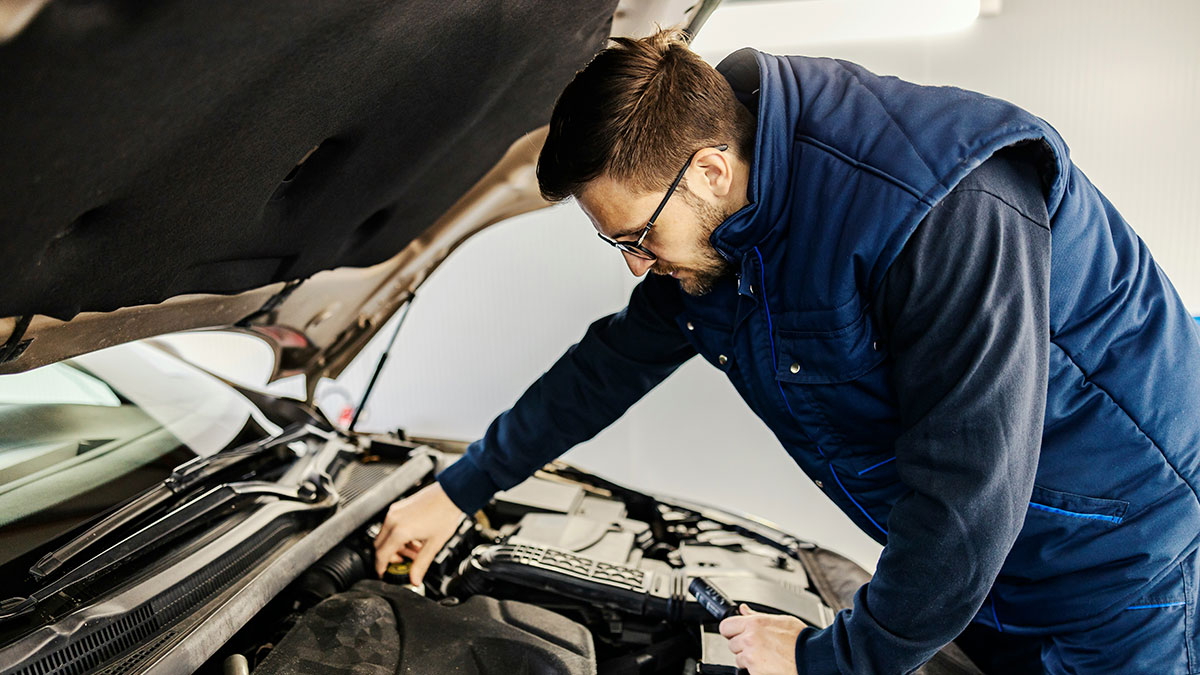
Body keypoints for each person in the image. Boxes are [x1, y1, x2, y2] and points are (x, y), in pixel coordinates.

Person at [371, 29, 1200, 674]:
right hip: (988, 573)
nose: (633, 262)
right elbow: (612, 362)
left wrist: (827, 659)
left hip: (1120, 574)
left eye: (635, 236)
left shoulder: (941, 207)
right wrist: (462, 486)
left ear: (706, 168)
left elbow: (970, 492)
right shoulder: (735, 222)